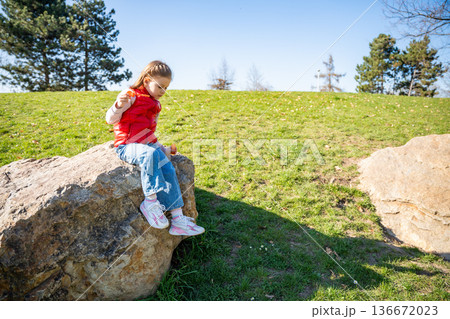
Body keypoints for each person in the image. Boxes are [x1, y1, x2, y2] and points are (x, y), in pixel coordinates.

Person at [105, 60, 204, 236]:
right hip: (127, 145)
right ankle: (150, 203)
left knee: (168, 168)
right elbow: (111, 120)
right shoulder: (130, 95)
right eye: (160, 86)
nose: (163, 91)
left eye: (166, 88)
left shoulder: (155, 105)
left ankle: (178, 219)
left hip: (148, 145)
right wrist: (117, 106)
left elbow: (149, 131)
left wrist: (162, 148)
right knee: (150, 155)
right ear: (146, 81)